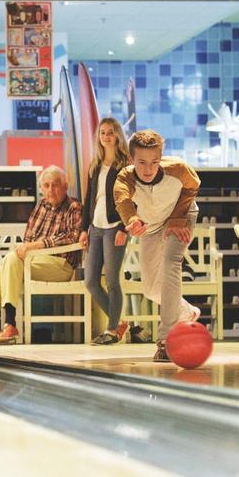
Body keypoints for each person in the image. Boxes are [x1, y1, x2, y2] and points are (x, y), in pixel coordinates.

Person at [113, 129, 201, 362]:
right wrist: (132, 220)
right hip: (150, 224)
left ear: (161, 158)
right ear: (131, 160)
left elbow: (192, 186)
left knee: (172, 262)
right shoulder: (124, 177)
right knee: (151, 288)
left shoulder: (178, 168)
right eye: (141, 162)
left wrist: (178, 218)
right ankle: (186, 312)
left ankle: (166, 341)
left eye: (154, 162)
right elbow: (122, 200)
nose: (149, 169)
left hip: (179, 217)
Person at [0, 165, 82, 344]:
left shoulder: (73, 206)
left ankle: (1, 323)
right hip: (34, 262)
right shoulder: (41, 206)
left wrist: (37, 245)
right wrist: (28, 248)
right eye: (46, 186)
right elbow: (28, 237)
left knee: (10, 261)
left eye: (55, 185)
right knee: (2, 271)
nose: (50, 190)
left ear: (65, 186)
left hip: (60, 266)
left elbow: (73, 237)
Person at [79, 117, 131, 345]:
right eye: (102, 133)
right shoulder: (95, 165)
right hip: (95, 228)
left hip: (114, 228)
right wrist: (83, 229)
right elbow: (88, 198)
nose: (106, 136)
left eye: (110, 132)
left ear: (118, 135)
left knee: (112, 281)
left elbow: (131, 199)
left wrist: (124, 228)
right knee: (90, 281)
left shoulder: (125, 165)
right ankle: (118, 322)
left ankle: (111, 330)